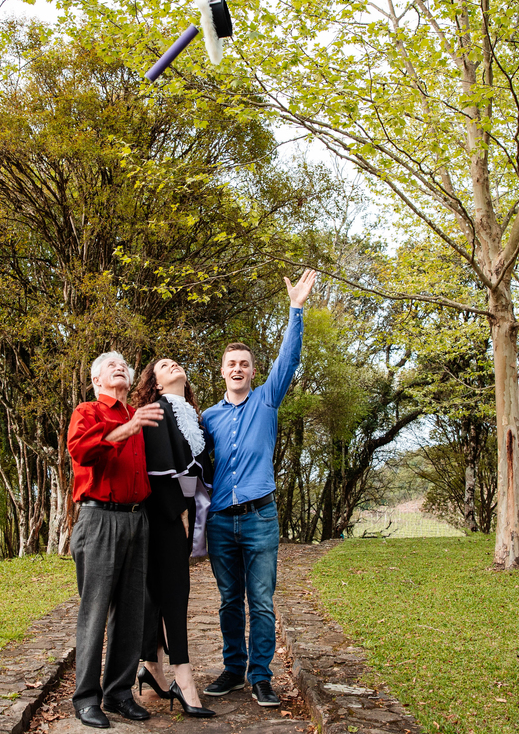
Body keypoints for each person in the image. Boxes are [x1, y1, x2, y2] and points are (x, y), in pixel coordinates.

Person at [201, 268, 317, 708]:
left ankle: (261, 677)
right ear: (222, 371)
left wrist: (296, 309)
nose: (238, 369)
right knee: (230, 600)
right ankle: (233, 670)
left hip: (260, 517)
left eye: (244, 364)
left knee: (262, 602)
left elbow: (289, 358)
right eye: (231, 364)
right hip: (220, 521)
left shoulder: (268, 399)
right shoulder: (208, 417)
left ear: (253, 371)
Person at [67, 351, 165, 728]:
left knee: (131, 612)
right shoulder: (88, 411)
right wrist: (127, 428)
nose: (120, 367)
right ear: (97, 380)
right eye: (112, 366)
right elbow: (82, 451)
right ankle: (86, 698)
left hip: (137, 519)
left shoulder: (137, 414)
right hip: (99, 518)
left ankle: (119, 692)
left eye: (123, 365)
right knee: (94, 612)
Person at [129, 358, 216, 719]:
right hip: (162, 514)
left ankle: (152, 667)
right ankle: (184, 677)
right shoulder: (158, 411)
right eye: (164, 365)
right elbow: (159, 471)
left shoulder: (193, 417)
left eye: (175, 362)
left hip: (179, 511)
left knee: (159, 592)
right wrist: (179, 513)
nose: (173, 364)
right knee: (175, 592)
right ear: (157, 384)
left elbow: (197, 473)